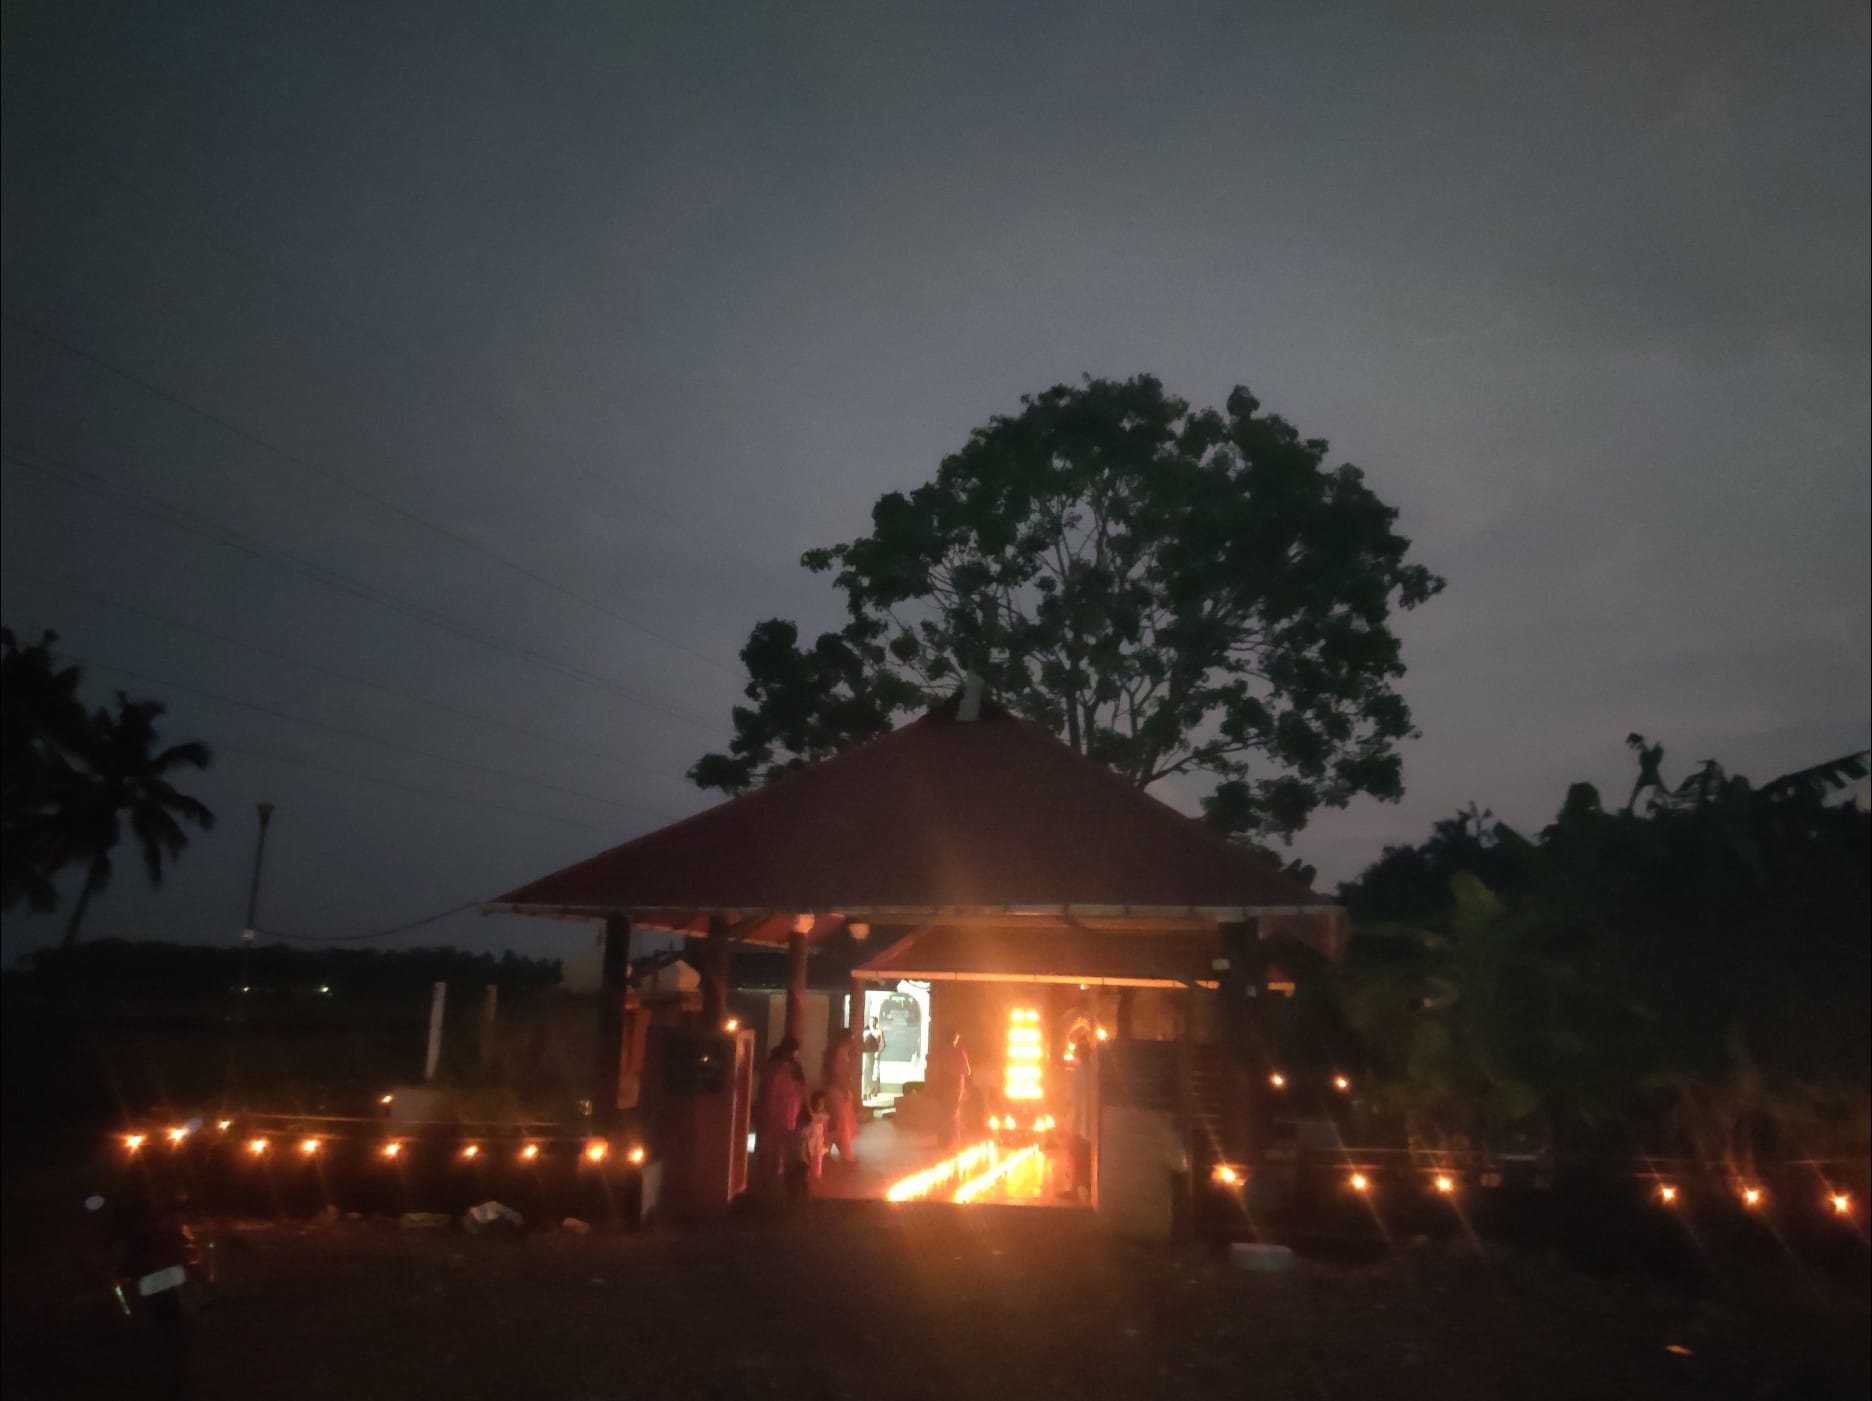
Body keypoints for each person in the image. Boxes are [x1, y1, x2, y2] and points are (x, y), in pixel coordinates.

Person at [752, 1037, 807, 1197]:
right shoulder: (775, 1070)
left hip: (788, 1119)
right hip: (775, 1119)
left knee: (787, 1155)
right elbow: (769, 1095)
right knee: (770, 1156)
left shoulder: (790, 1069)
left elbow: (800, 1092)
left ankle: (785, 1189)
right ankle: (767, 1190)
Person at [924, 1029, 972, 1148]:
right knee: (952, 1112)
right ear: (955, 1038)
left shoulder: (941, 1052)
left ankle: (944, 1139)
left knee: (943, 1112)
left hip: (942, 1085)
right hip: (955, 1085)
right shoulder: (959, 1052)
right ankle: (952, 1140)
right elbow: (967, 1071)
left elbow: (934, 1067)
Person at [821, 1028, 860, 1165]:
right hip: (837, 1090)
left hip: (835, 1089)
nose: (853, 1041)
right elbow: (839, 1073)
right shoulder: (839, 1053)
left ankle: (826, 1150)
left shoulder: (835, 1053)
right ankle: (845, 1154)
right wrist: (844, 1089)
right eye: (851, 1038)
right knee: (840, 1124)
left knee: (838, 1123)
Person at [861, 1016, 883, 1099]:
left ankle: (869, 1091)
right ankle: (863, 1092)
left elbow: (881, 1044)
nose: (872, 1023)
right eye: (871, 1021)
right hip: (865, 1053)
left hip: (872, 1054)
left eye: (874, 1021)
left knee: (870, 1073)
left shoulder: (878, 1032)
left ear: (876, 1023)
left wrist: (878, 1052)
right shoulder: (866, 1032)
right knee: (864, 1073)